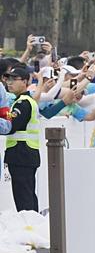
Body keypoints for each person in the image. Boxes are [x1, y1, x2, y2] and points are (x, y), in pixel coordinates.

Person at [3, 66, 42, 212]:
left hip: (21, 154)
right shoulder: (24, 101)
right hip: (25, 154)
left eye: (14, 79)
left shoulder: (22, 103)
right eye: (8, 79)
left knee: (23, 199)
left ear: (25, 82)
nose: (10, 82)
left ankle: (29, 224)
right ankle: (33, 223)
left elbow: (11, 126)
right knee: (27, 195)